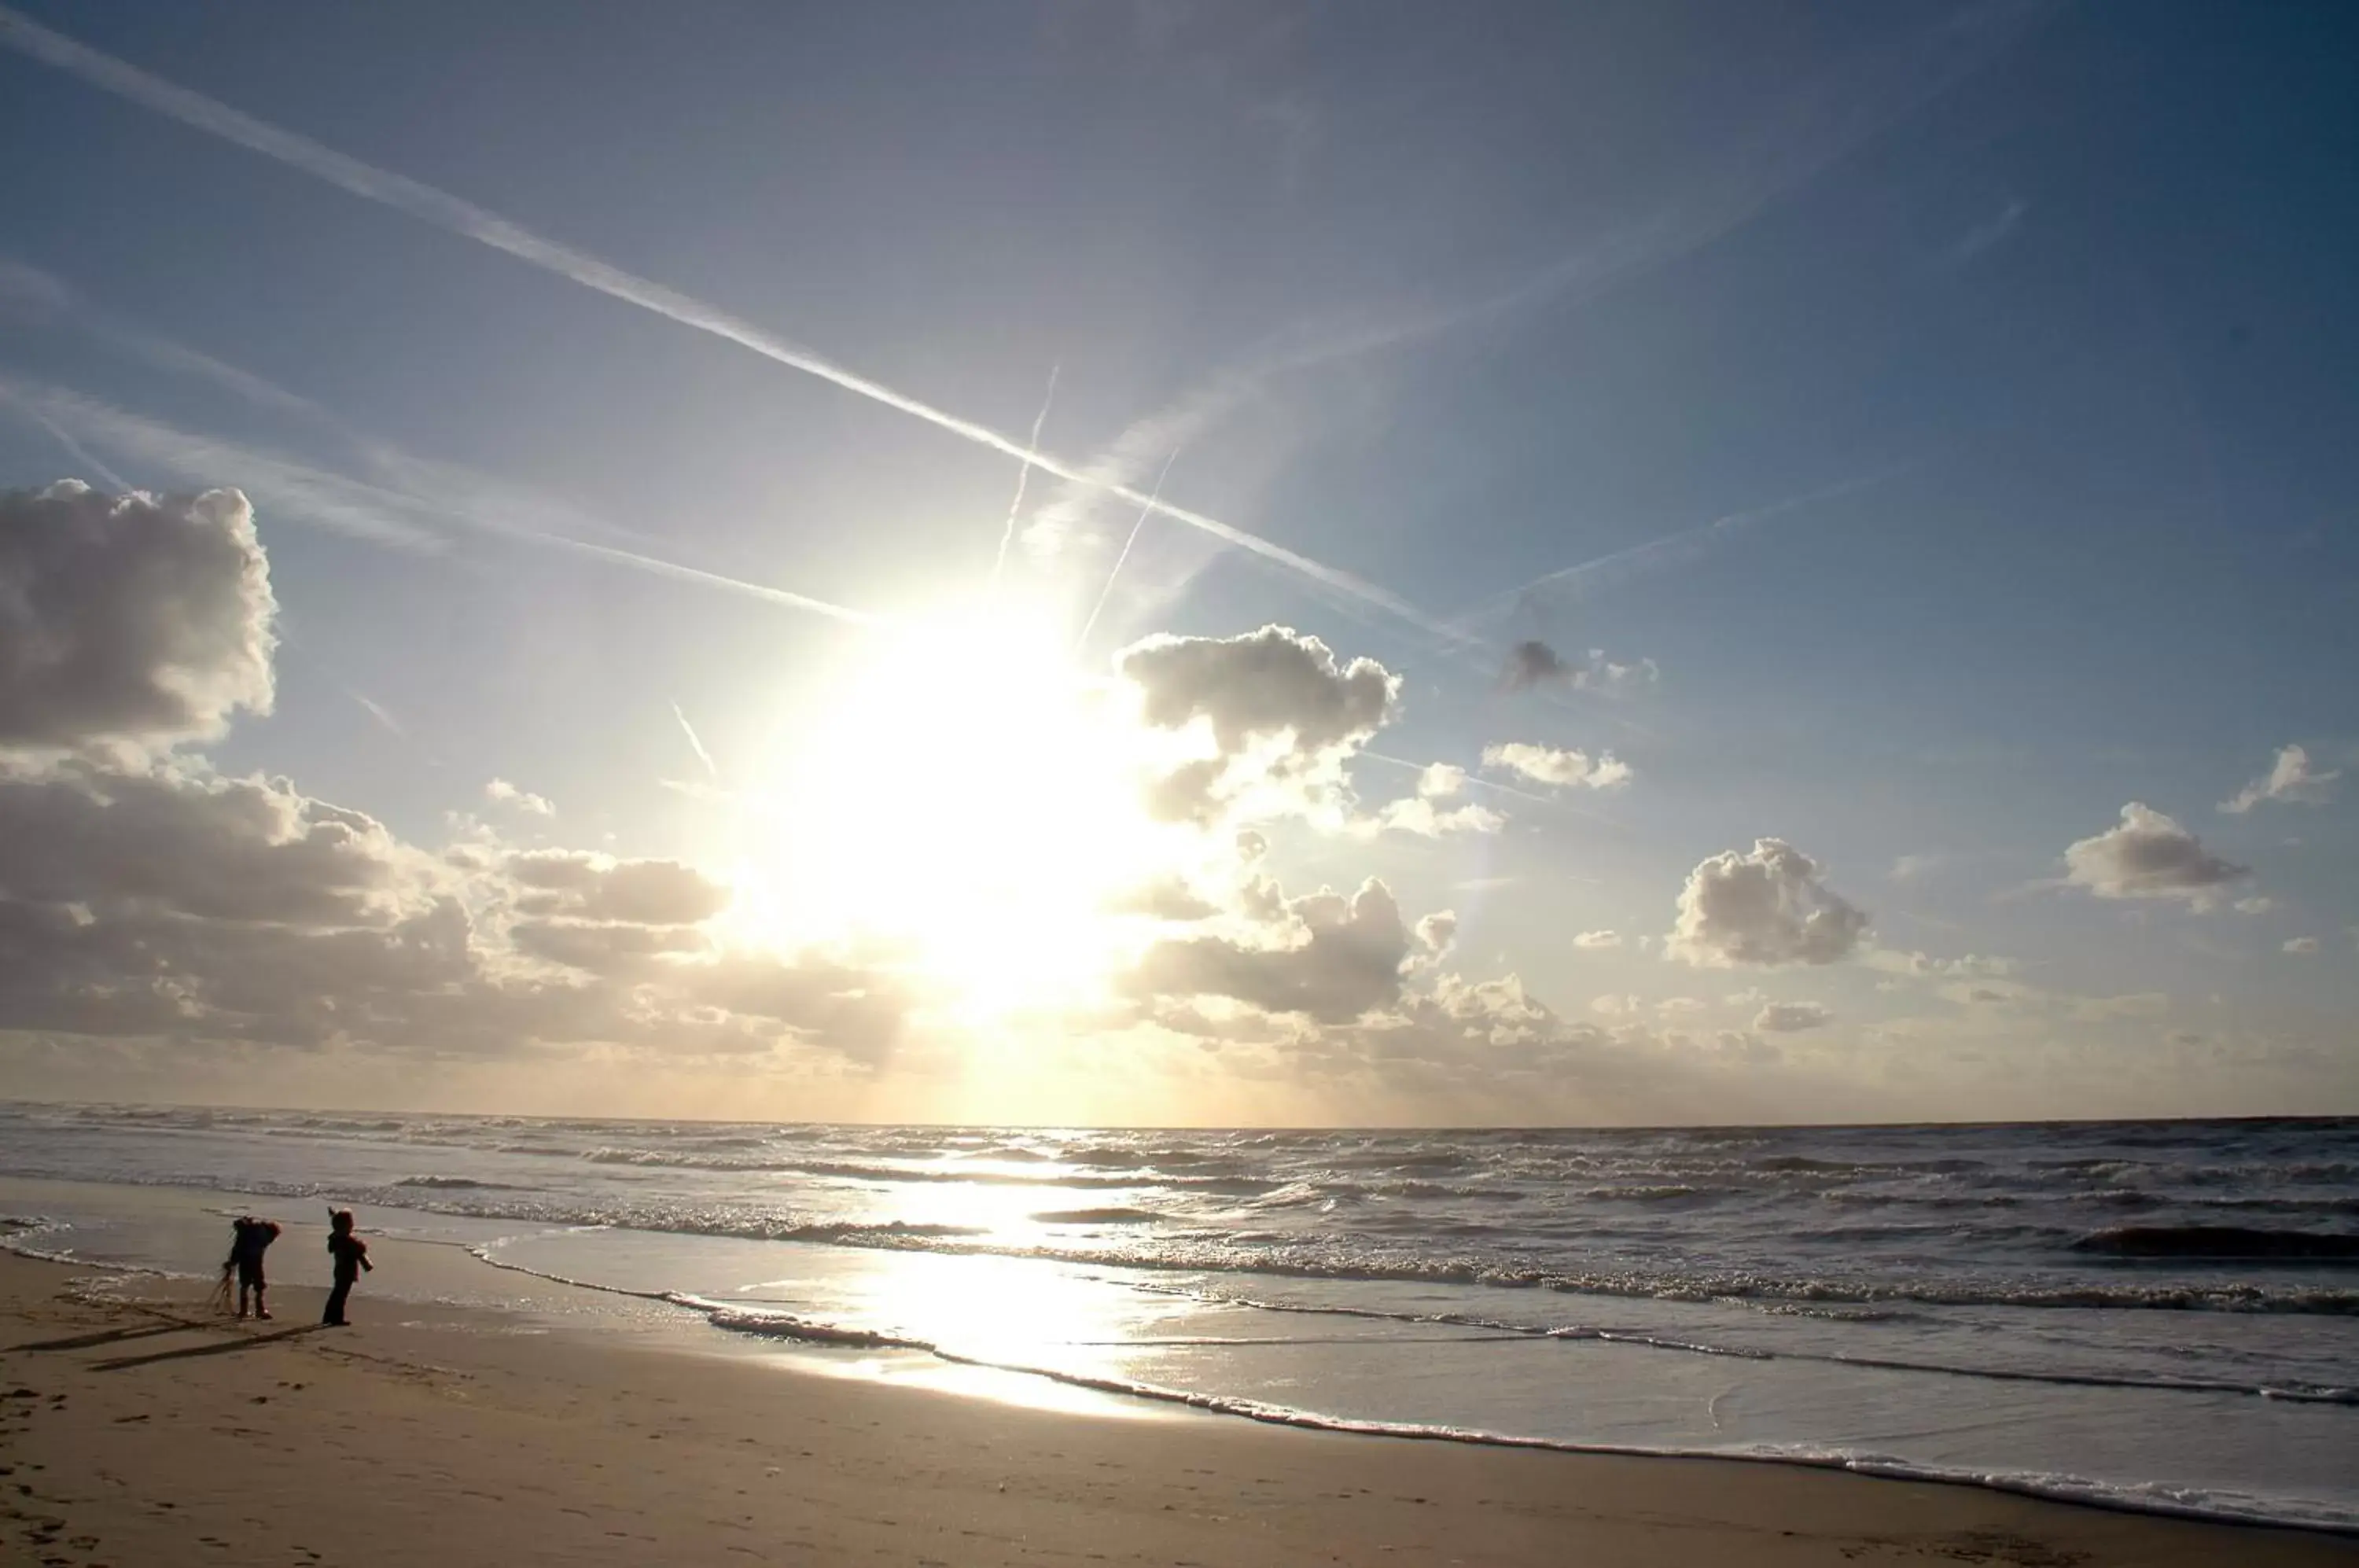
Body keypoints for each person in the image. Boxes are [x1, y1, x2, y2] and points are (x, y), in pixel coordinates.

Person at [223, 1215, 281, 1320]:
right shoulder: (264, 1235)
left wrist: (232, 1262)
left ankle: (243, 1311)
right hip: (255, 1261)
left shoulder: (247, 1232)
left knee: (245, 1285)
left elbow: (237, 1248)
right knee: (260, 1286)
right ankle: (260, 1309)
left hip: (244, 1260)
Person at [323, 1209, 373, 1327]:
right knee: (341, 1296)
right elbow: (360, 1248)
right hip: (346, 1271)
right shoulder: (347, 1241)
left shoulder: (337, 1239)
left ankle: (329, 1316)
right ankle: (337, 1318)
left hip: (340, 1270)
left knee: (337, 1294)